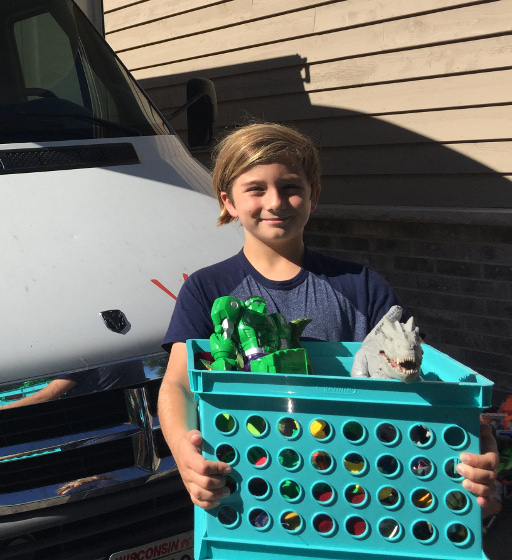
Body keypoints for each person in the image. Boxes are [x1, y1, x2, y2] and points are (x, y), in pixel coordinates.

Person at [156, 122, 501, 517]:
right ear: (228, 202)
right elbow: (179, 385)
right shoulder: (206, 288)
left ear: (313, 196)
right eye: (256, 189)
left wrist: (474, 448)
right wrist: (184, 452)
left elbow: (413, 381)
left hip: (360, 487)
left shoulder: (361, 285)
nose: (275, 202)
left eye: (290, 187)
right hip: (251, 487)